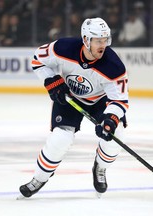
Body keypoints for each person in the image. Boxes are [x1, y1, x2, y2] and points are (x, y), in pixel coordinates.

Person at [19, 17, 129, 198]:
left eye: (105, 40)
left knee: (116, 135)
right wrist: (51, 80)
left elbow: (120, 100)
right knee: (60, 138)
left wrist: (110, 118)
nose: (103, 45)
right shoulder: (63, 48)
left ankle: (100, 167)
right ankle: (39, 178)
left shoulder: (114, 66)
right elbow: (38, 60)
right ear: (86, 40)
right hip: (69, 97)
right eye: (98, 41)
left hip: (100, 101)